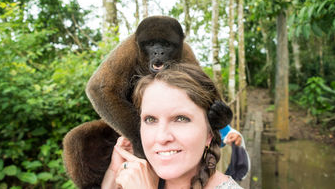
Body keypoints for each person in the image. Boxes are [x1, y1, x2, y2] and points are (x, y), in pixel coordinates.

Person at [101, 63, 243, 189]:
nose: (162, 137)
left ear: (210, 133)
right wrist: (114, 171)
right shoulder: (139, 180)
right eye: (150, 119)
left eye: (180, 119)